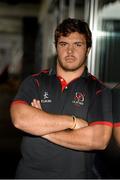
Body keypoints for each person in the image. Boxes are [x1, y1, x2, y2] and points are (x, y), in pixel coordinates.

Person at [10, 18, 113, 179]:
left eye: (77, 44)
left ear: (87, 49)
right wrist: (72, 121)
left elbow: (98, 139)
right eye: (64, 44)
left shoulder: (99, 91)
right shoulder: (35, 82)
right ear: (56, 47)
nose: (70, 51)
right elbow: (20, 119)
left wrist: (41, 129)